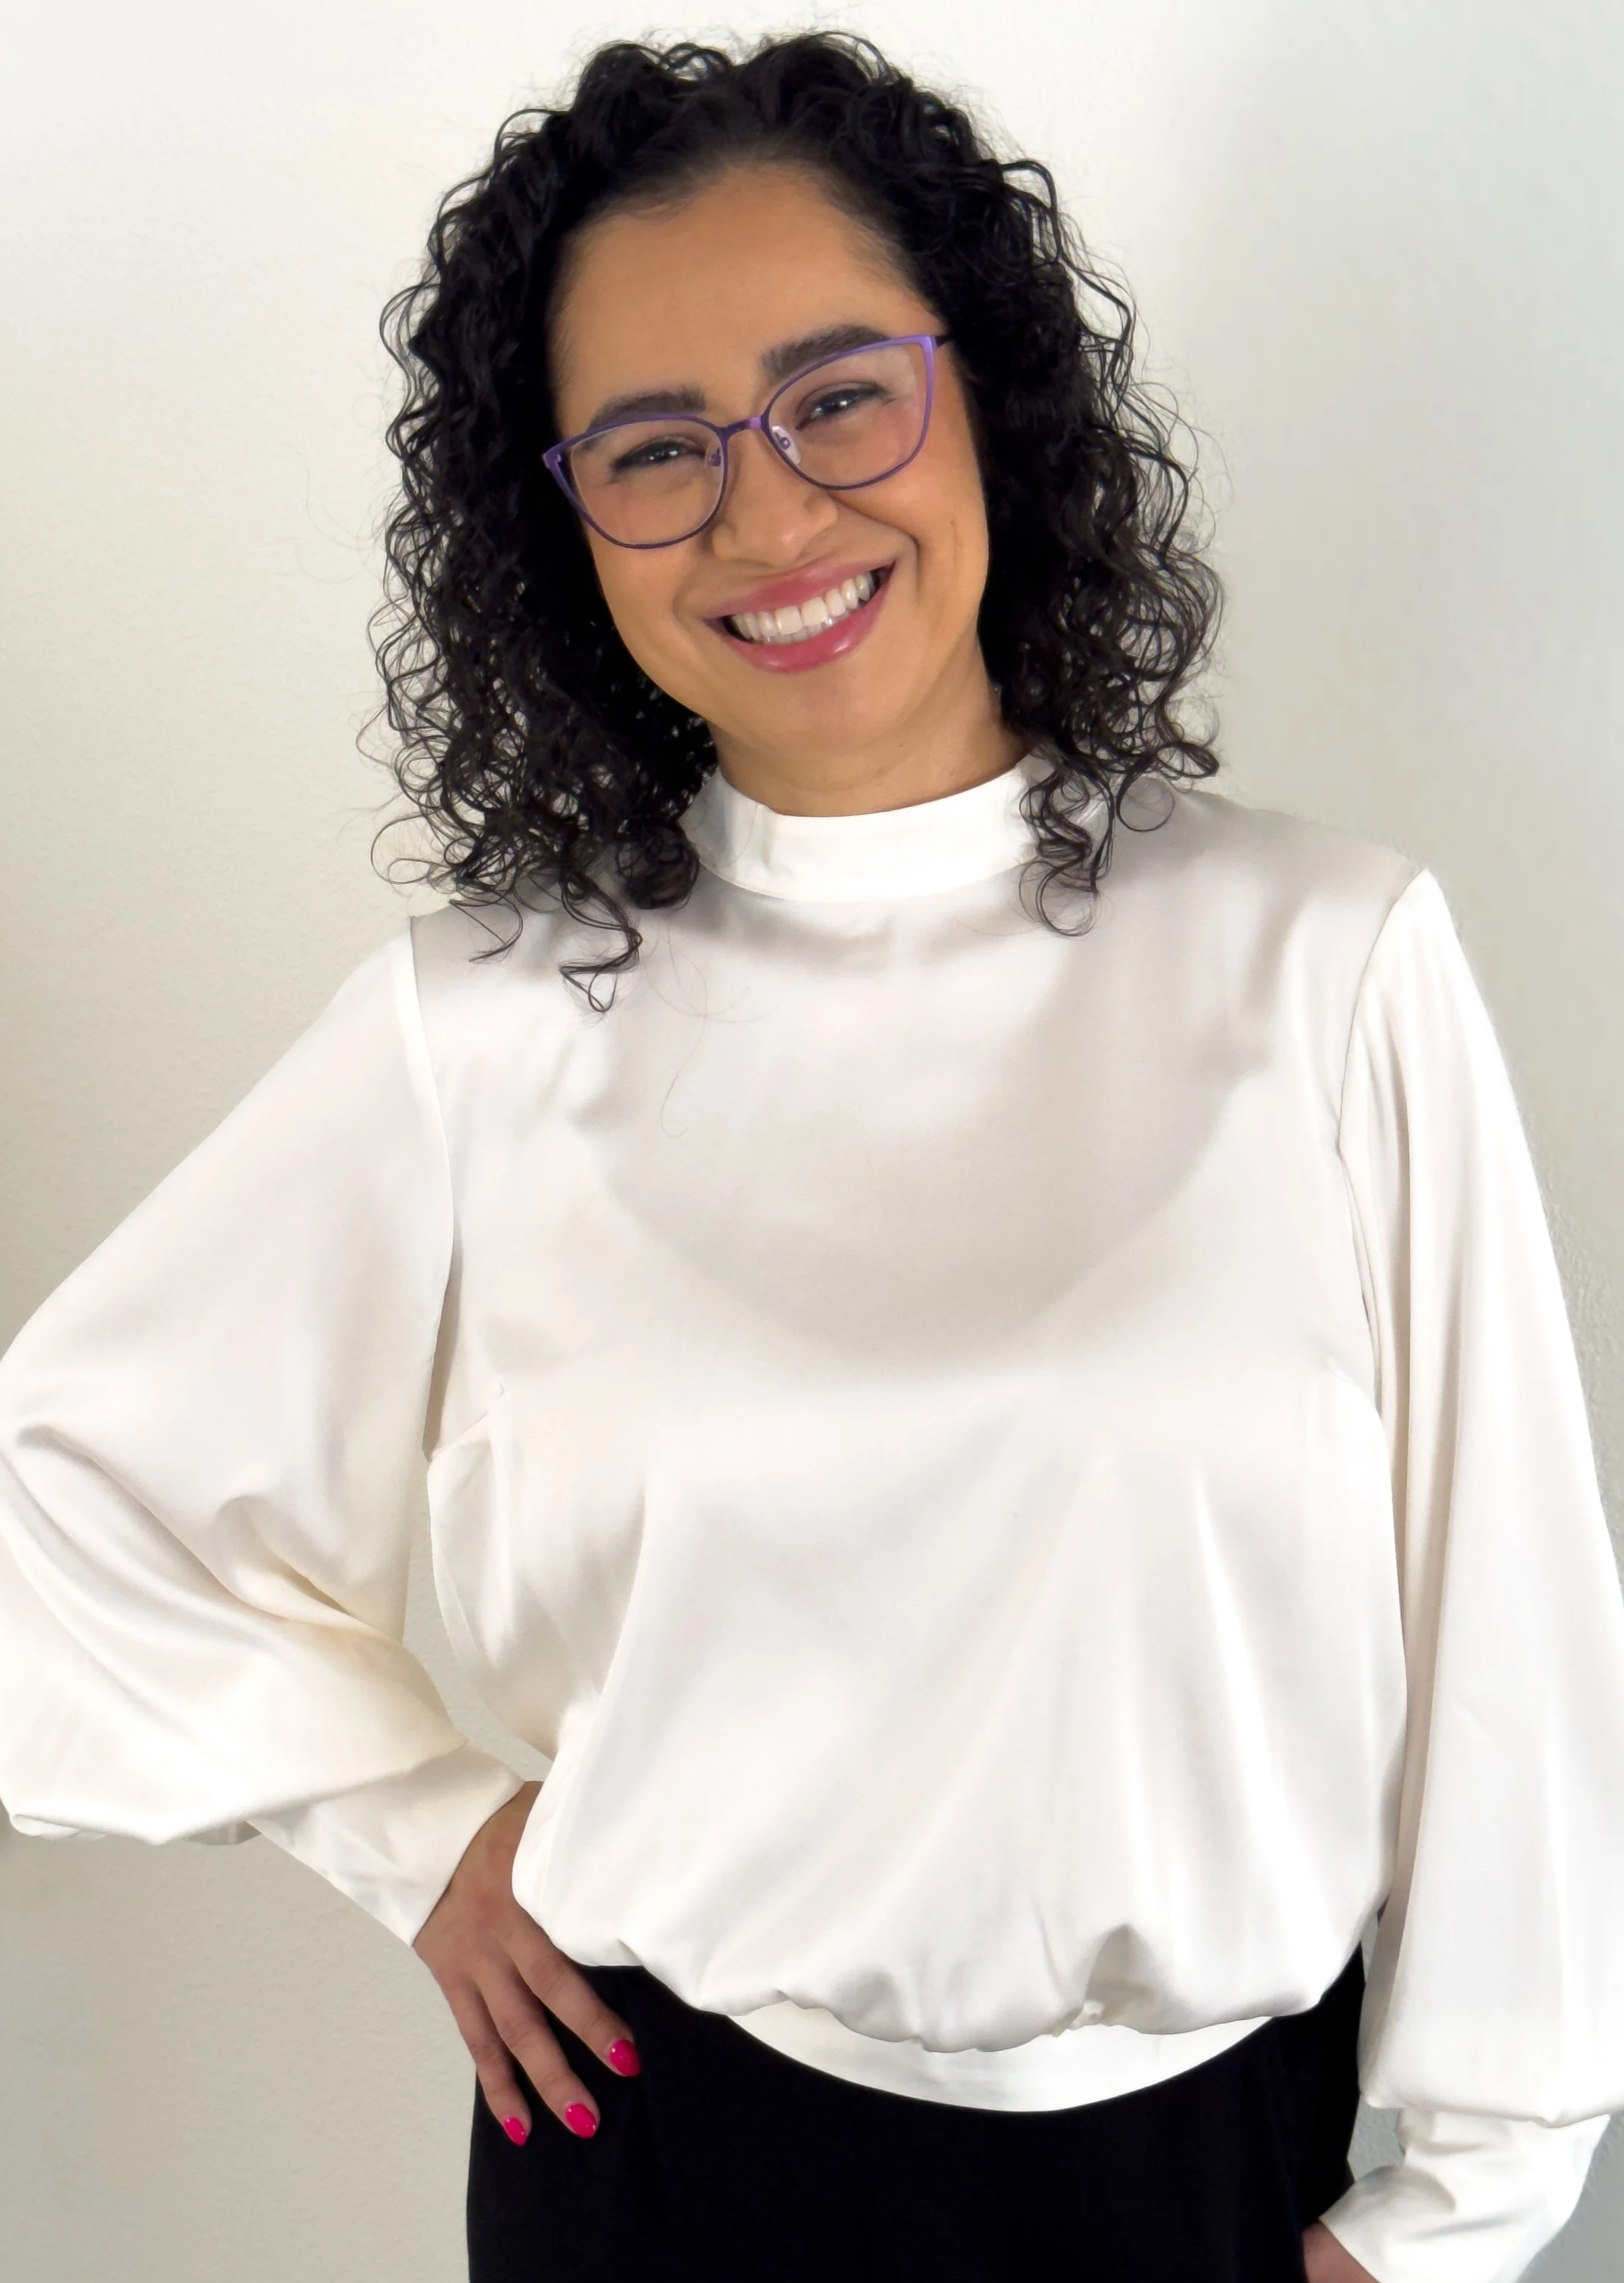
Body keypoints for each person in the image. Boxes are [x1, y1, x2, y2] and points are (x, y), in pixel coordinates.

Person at [2, 29, 1622, 2282]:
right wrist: (419, 1829)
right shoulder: (483, 1026)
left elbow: (1507, 1628)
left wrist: (1453, 2214)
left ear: (989, 397)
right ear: (562, 521)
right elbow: (62, 1498)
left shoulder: (1323, 960)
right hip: (665, 2169)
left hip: (1214, 2176)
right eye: (655, 450)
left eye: (838, 396)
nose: (766, 519)